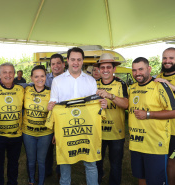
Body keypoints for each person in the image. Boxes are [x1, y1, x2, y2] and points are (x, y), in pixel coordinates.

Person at [48, 47, 107, 185]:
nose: (76, 62)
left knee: (91, 163)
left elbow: (94, 105)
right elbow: (54, 105)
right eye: (73, 59)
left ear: (82, 61)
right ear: (67, 61)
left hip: (87, 129)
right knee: (65, 164)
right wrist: (56, 130)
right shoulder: (57, 81)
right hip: (65, 130)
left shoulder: (91, 81)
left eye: (79, 60)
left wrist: (101, 104)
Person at [129, 57, 175, 185]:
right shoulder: (132, 88)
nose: (137, 73)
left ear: (149, 69)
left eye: (141, 69)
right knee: (141, 177)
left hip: (155, 145)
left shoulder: (160, 86)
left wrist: (148, 114)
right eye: (134, 70)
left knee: (156, 181)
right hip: (136, 144)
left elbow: (173, 112)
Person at [0, 63, 24, 185]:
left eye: (10, 72)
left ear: (14, 74)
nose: (8, 75)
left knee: (13, 164)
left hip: (16, 136)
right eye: (4, 72)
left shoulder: (21, 89)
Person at [95, 53, 128, 185]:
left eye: (109, 67)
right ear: (99, 69)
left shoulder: (121, 84)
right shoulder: (94, 84)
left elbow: (126, 104)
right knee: (97, 163)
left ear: (114, 69)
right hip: (98, 133)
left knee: (115, 165)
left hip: (116, 133)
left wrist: (109, 96)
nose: (105, 70)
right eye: (102, 67)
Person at [22, 65, 53, 185]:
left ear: (46, 77)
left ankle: (40, 182)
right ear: (31, 78)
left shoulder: (52, 92)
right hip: (28, 132)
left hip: (45, 133)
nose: (39, 79)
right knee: (30, 160)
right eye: (36, 76)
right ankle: (31, 181)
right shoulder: (26, 90)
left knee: (41, 160)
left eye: (42, 76)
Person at [155, 47, 175, 185]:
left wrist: (169, 85)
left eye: (171, 58)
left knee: (170, 162)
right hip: (161, 127)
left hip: (174, 129)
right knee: (163, 161)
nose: (167, 61)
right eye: (165, 58)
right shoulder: (159, 75)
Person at [45, 53, 65, 177]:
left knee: (61, 146)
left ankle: (60, 172)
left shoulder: (69, 78)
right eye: (53, 64)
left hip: (63, 117)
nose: (56, 66)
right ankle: (47, 171)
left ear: (63, 64)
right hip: (47, 117)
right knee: (47, 146)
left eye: (58, 63)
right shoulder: (45, 78)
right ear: (50, 66)